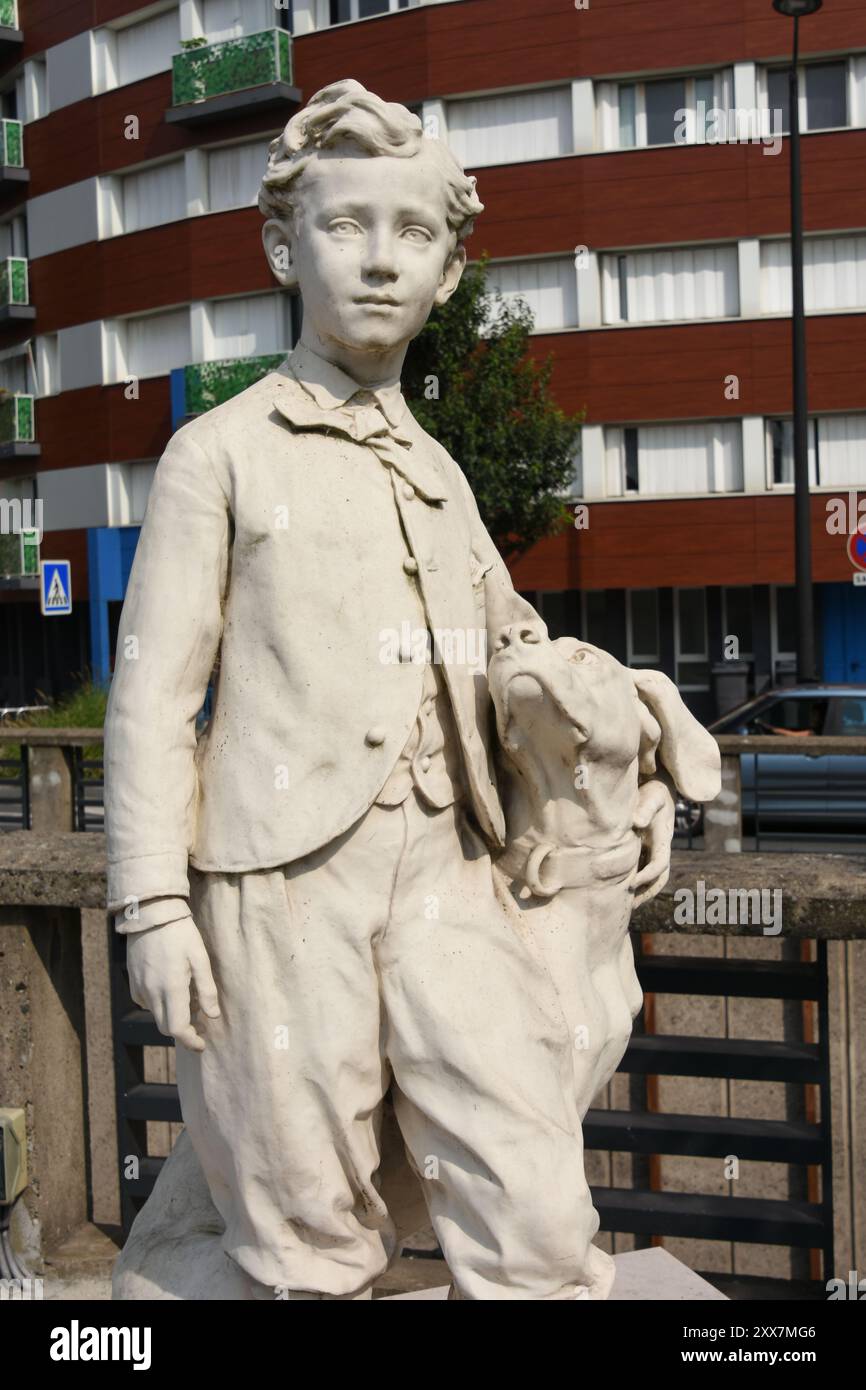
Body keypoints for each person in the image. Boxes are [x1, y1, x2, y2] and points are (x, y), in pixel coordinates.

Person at [104, 80, 611, 1301]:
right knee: (306, 1231)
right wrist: (151, 908)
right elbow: (151, 698)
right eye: (345, 228)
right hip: (277, 882)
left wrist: (582, 715)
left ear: (446, 274)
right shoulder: (214, 456)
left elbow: (508, 642)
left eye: (413, 234)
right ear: (284, 248)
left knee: (534, 1202)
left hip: (445, 865)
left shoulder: (440, 472)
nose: (380, 262)